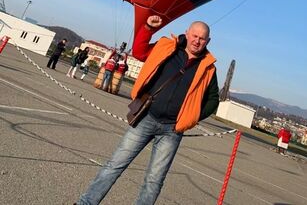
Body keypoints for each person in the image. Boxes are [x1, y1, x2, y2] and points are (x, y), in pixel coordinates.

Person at [76, 15, 219, 205]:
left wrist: (191, 117)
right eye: (194, 35)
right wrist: (148, 29)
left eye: (202, 38)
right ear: (187, 33)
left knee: (154, 181)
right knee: (115, 165)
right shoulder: (167, 47)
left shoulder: (208, 68)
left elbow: (213, 100)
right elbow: (139, 52)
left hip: (172, 130)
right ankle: (86, 202)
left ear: (208, 41)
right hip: (146, 117)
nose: (197, 41)